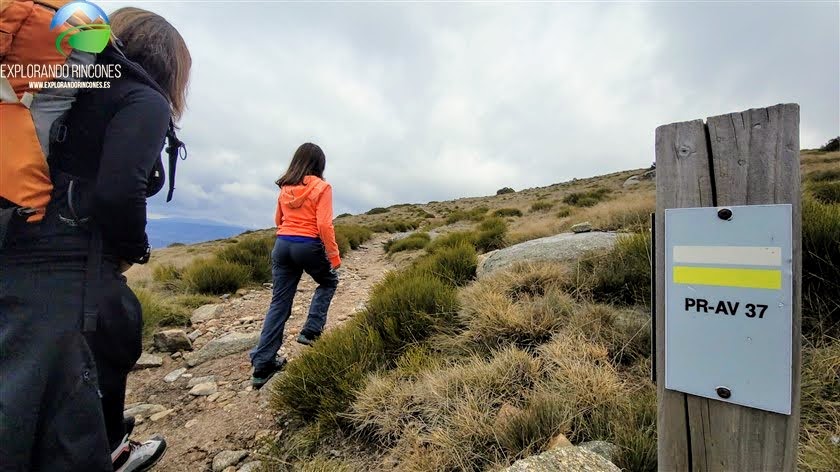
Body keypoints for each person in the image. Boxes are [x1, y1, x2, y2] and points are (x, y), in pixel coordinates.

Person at [0, 6, 191, 472]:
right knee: (106, 341)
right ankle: (108, 449)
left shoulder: (65, 88)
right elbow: (119, 191)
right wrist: (134, 248)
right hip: (70, 265)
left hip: (17, 246)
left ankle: (110, 444)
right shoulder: (144, 100)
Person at [249, 143, 341, 389]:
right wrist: (333, 256)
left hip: (282, 244)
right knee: (328, 281)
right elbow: (324, 225)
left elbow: (278, 220)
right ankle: (311, 330)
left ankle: (263, 365)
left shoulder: (286, 187)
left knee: (279, 302)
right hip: (308, 244)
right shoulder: (322, 187)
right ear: (319, 164)